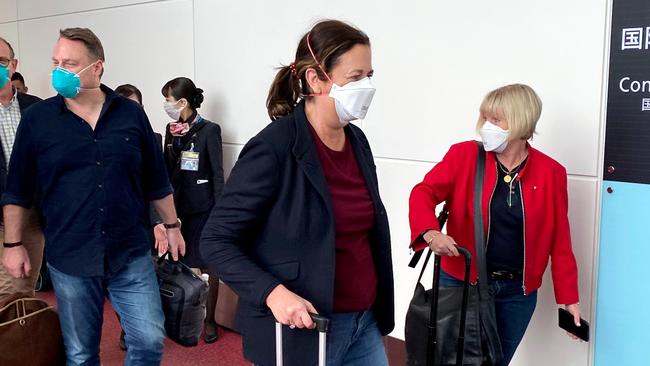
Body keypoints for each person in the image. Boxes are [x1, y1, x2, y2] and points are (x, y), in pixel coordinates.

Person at [201, 19, 394, 366]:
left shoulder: (357, 141)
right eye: (355, 77)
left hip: (364, 321)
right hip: (305, 328)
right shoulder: (274, 148)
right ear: (316, 79)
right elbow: (215, 241)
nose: (366, 86)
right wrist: (272, 293)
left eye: (369, 74)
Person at [0, 28, 186, 365]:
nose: (58, 71)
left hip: (129, 252)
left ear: (97, 68)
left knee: (148, 340)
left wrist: (171, 224)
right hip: (70, 255)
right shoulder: (38, 120)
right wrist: (13, 246)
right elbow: (18, 189)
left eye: (69, 64)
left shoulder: (130, 115)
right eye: (55, 62)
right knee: (81, 353)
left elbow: (156, 180)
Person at [409, 84, 581, 366]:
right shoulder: (463, 156)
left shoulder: (551, 173)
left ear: (521, 123)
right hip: (461, 284)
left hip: (517, 295)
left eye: (496, 120)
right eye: (486, 118)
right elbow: (423, 193)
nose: (487, 126)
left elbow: (560, 241)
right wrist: (430, 232)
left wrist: (569, 299)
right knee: (450, 361)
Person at [158, 76, 224, 343]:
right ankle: (180, 315)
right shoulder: (171, 128)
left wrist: (221, 213)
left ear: (183, 102)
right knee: (177, 263)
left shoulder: (210, 130)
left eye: (168, 100)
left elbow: (217, 172)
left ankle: (210, 321)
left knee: (209, 264)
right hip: (177, 207)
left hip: (204, 207)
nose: (165, 105)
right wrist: (174, 144)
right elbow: (166, 167)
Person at [0, 37, 44, 299]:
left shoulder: (38, 109)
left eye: (1, 62)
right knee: (5, 295)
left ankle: (18, 341)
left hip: (31, 218)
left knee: (22, 291)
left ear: (13, 65)